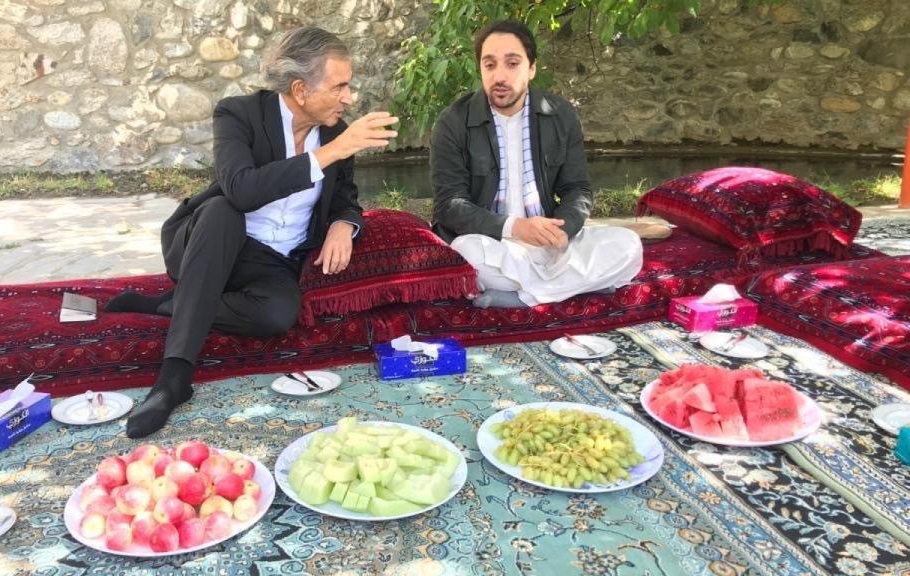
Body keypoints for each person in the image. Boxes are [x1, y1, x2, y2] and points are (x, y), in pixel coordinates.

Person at [104, 27, 398, 438]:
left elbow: (345, 196)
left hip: (271, 261)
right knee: (224, 209)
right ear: (300, 89)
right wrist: (332, 152)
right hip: (212, 240)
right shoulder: (238, 114)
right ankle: (173, 378)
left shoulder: (334, 131)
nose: (349, 97)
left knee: (279, 314)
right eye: (340, 87)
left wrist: (342, 226)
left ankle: (175, 302)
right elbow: (240, 189)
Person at [430, 20, 642, 309]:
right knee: (464, 253)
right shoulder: (453, 122)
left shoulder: (559, 115)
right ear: (479, 68)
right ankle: (574, 286)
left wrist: (562, 231)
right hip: (492, 243)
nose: (500, 76)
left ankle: (521, 297)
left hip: (548, 244)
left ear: (531, 68)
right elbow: (450, 205)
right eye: (489, 65)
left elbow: (576, 189)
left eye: (512, 63)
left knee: (629, 246)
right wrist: (515, 228)